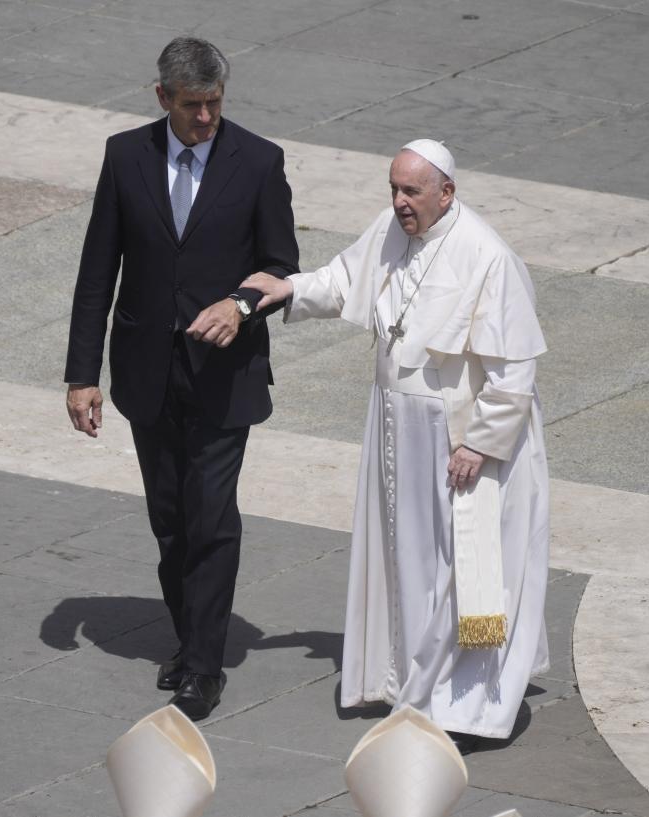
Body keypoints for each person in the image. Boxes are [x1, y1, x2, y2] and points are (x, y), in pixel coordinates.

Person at [242, 140, 549, 752]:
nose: (399, 203)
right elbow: (345, 279)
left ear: (447, 193)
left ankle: (471, 707)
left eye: (411, 192)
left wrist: (480, 446)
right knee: (411, 562)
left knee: (460, 572)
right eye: (394, 189)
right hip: (395, 428)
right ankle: (417, 685)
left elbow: (514, 371)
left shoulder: (488, 256)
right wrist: (287, 290)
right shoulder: (392, 229)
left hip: (459, 437)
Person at [64, 36, 299, 721]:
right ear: (163, 98)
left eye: (215, 103)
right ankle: (190, 634)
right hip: (146, 374)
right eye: (193, 106)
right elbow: (96, 271)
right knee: (170, 519)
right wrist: (83, 374)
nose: (206, 119)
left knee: (211, 517)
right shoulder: (125, 155)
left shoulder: (257, 162)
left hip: (225, 377)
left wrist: (240, 304)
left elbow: (282, 266)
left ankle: (202, 663)